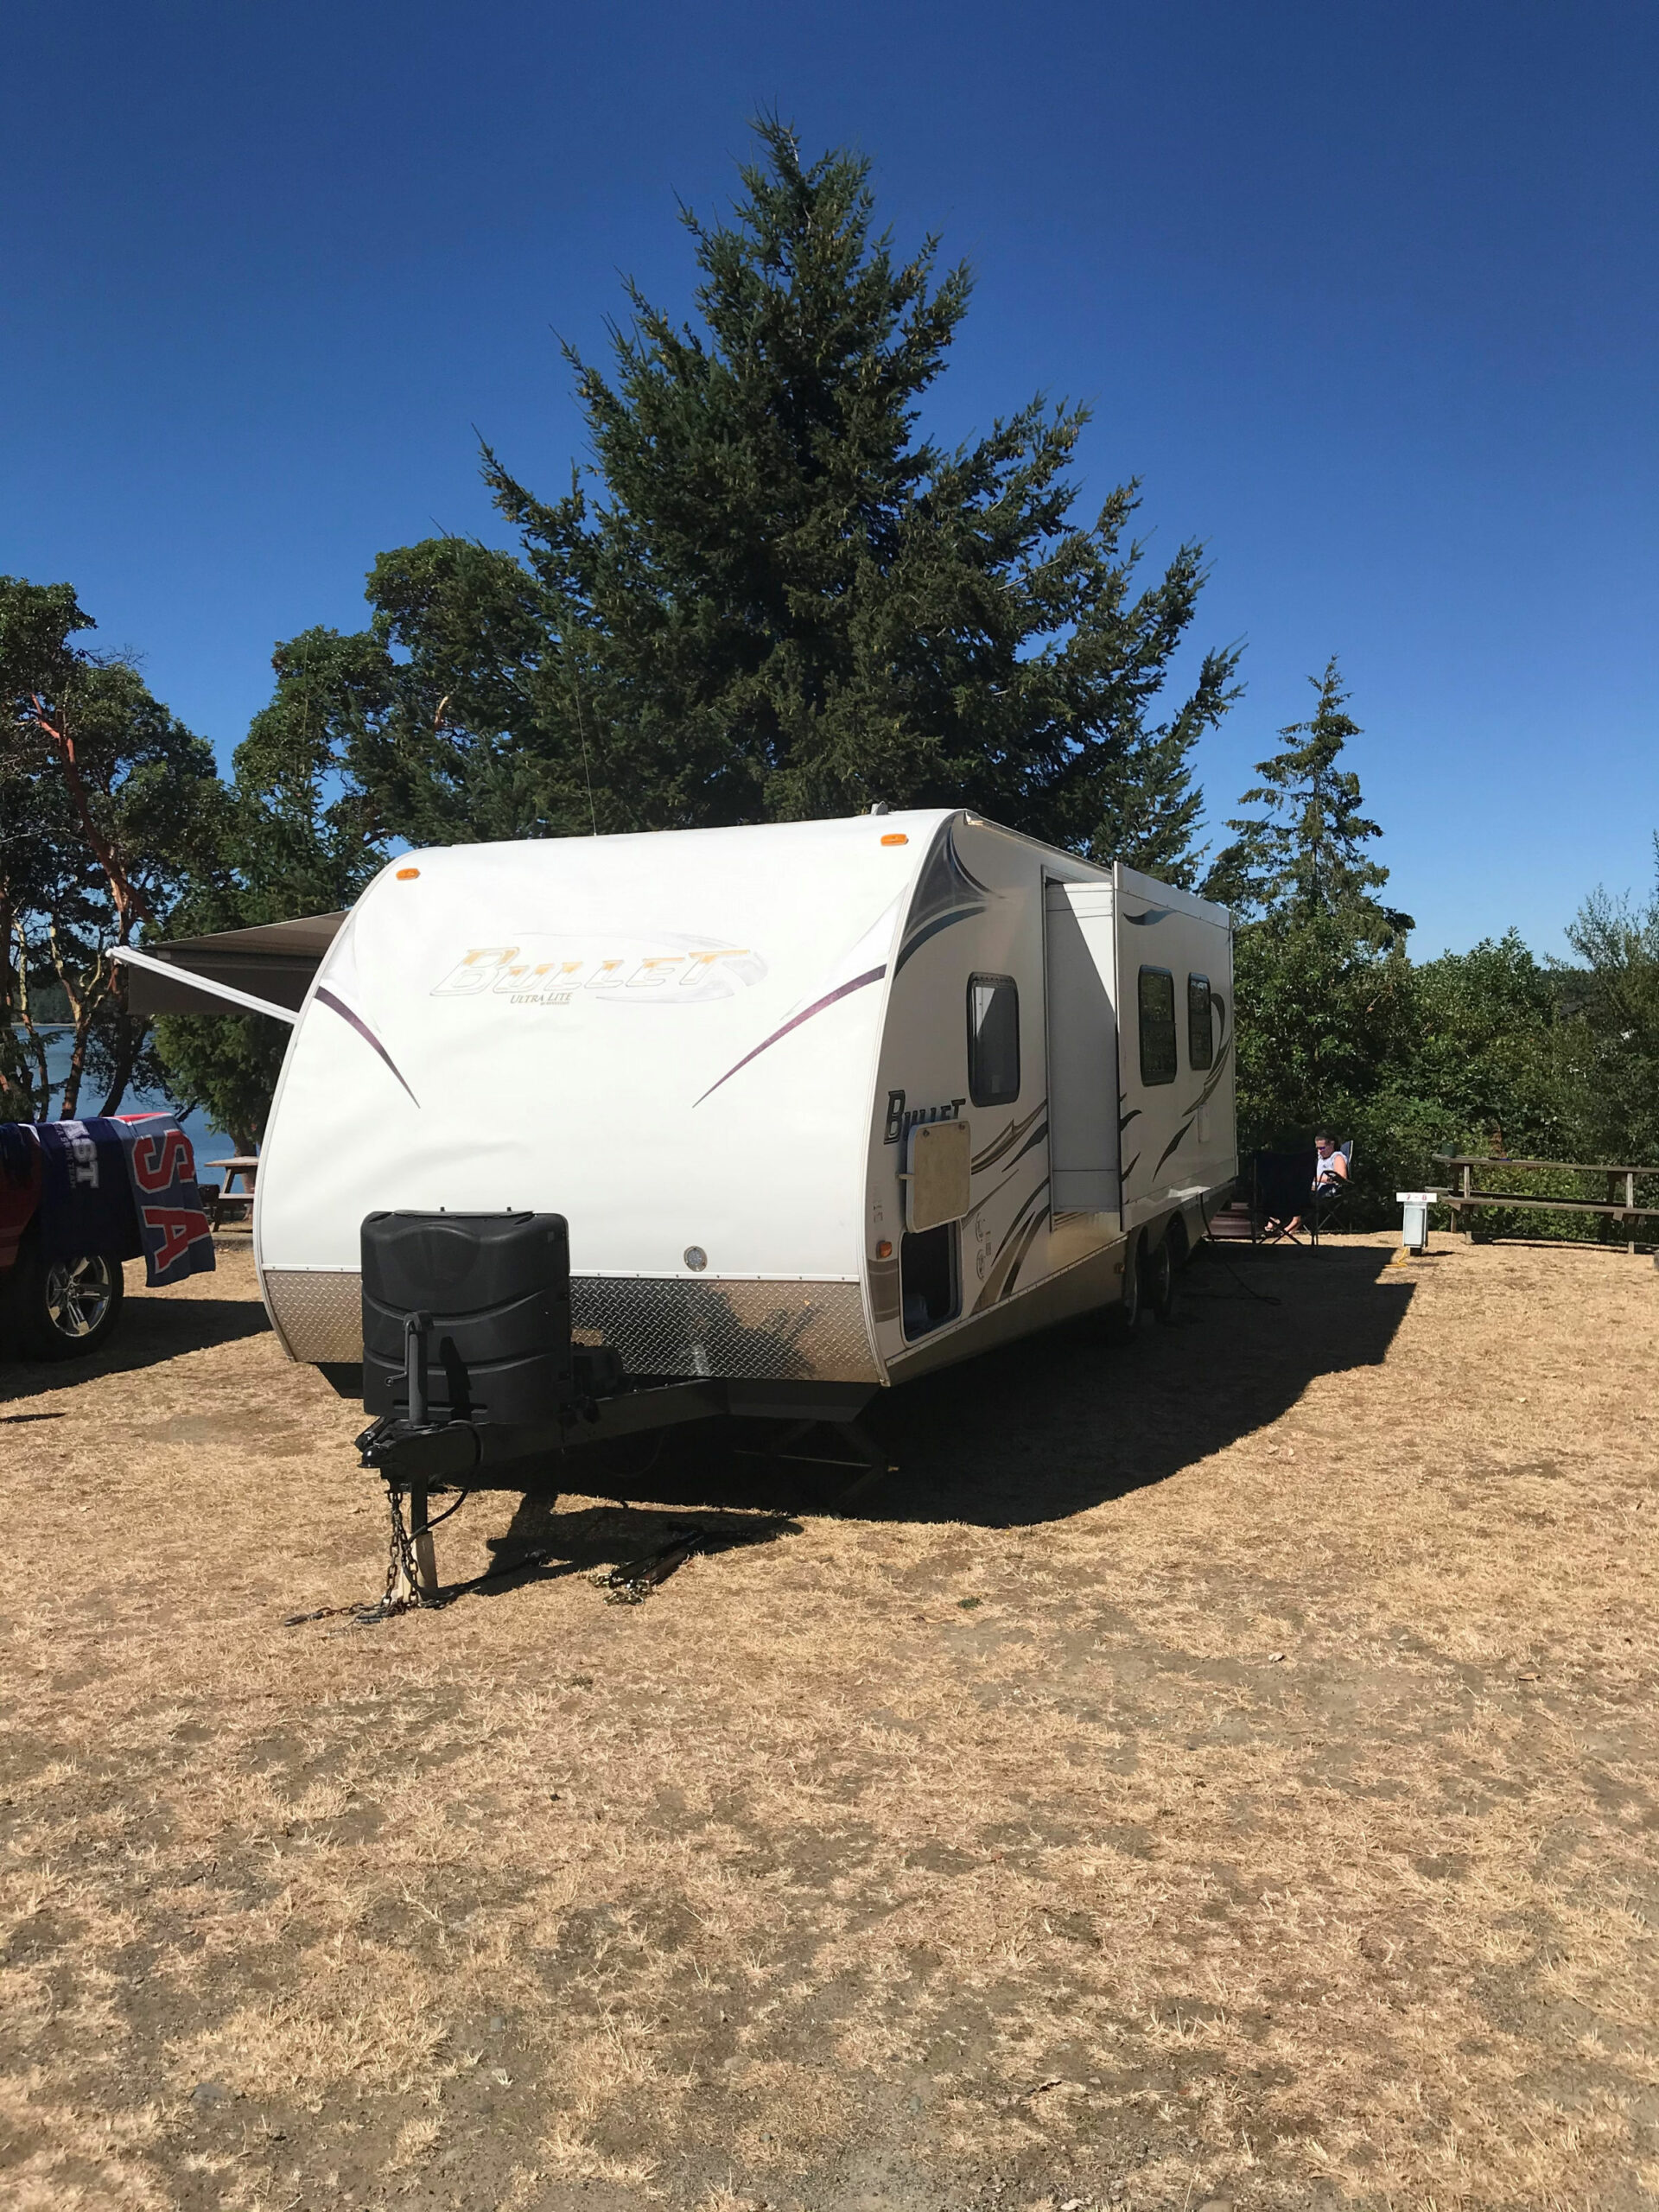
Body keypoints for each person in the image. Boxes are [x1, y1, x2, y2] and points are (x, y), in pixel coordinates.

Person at [1268, 1133, 1349, 1239]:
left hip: (1324, 1189)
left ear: (1332, 1144)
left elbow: (1342, 1178)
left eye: (1322, 1148)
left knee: (1296, 1189)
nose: (1320, 1151)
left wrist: (1315, 1178)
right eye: (1317, 1148)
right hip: (1311, 1186)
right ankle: (1273, 1220)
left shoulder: (1337, 1157)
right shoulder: (1319, 1158)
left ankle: (1295, 1222)